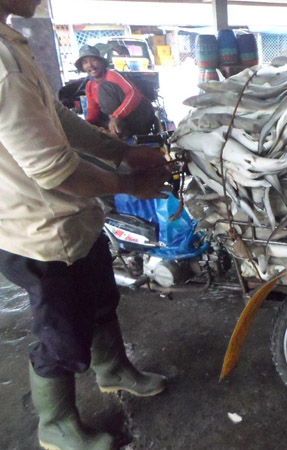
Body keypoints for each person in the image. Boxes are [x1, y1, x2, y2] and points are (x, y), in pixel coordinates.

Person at [0, 1, 171, 449]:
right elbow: (54, 170)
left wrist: (122, 152)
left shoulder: (13, 44)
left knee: (99, 297)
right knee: (61, 332)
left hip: (72, 218)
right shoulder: (5, 67)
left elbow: (59, 120)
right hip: (40, 230)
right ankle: (55, 425)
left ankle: (113, 370)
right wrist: (129, 184)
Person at [76, 44, 155, 139]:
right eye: (85, 62)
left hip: (140, 118)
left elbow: (134, 94)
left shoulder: (112, 75)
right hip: (120, 123)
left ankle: (120, 133)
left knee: (104, 88)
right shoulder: (90, 85)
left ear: (101, 62)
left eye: (94, 60)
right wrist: (86, 127)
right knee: (95, 126)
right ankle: (117, 133)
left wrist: (116, 116)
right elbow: (93, 111)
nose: (90, 65)